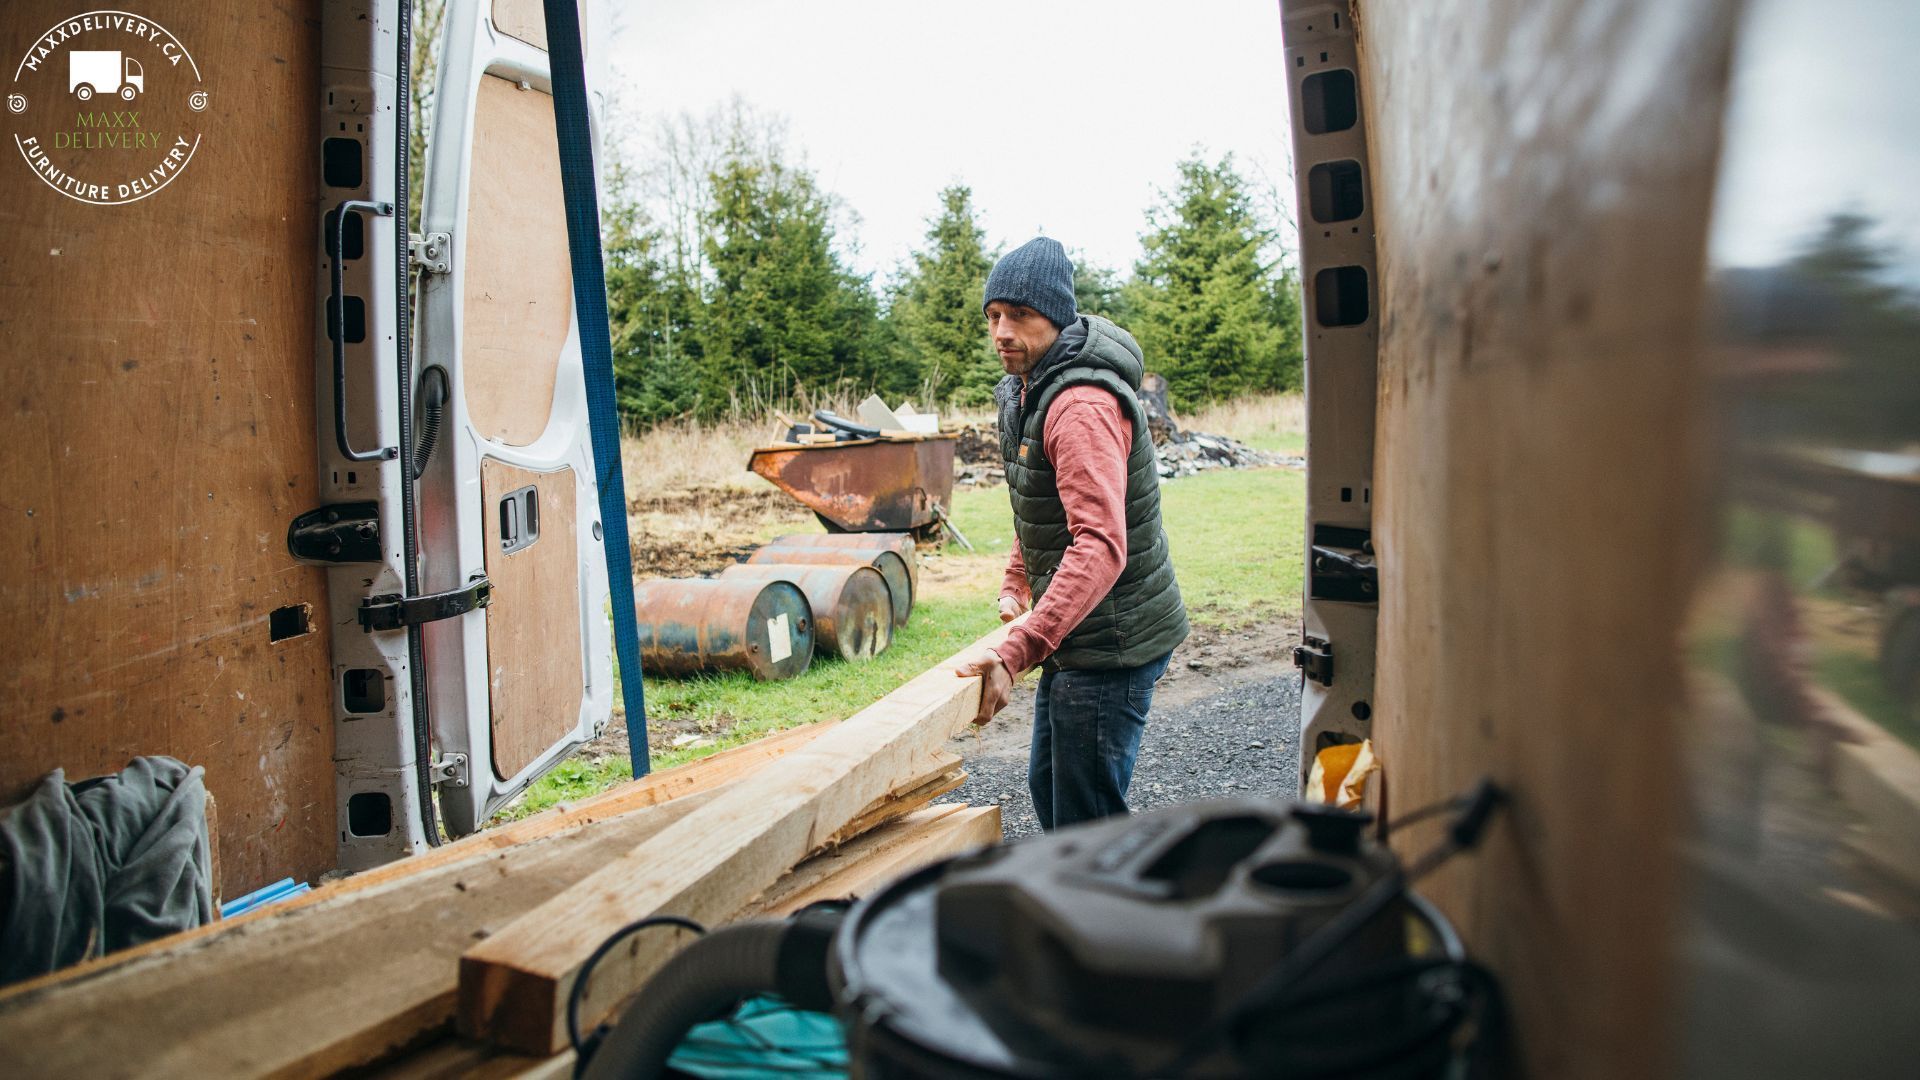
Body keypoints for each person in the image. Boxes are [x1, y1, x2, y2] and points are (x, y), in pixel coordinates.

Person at [956, 236, 1190, 830]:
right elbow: (1043, 500)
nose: (1001, 331)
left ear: (1055, 319)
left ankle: (1111, 917)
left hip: (1112, 642)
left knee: (1086, 824)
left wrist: (1019, 648)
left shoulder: (1078, 405)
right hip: (1078, 632)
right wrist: (1017, 579)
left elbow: (1101, 544)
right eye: (993, 316)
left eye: (1020, 316)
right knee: (1053, 789)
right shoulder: (1033, 388)